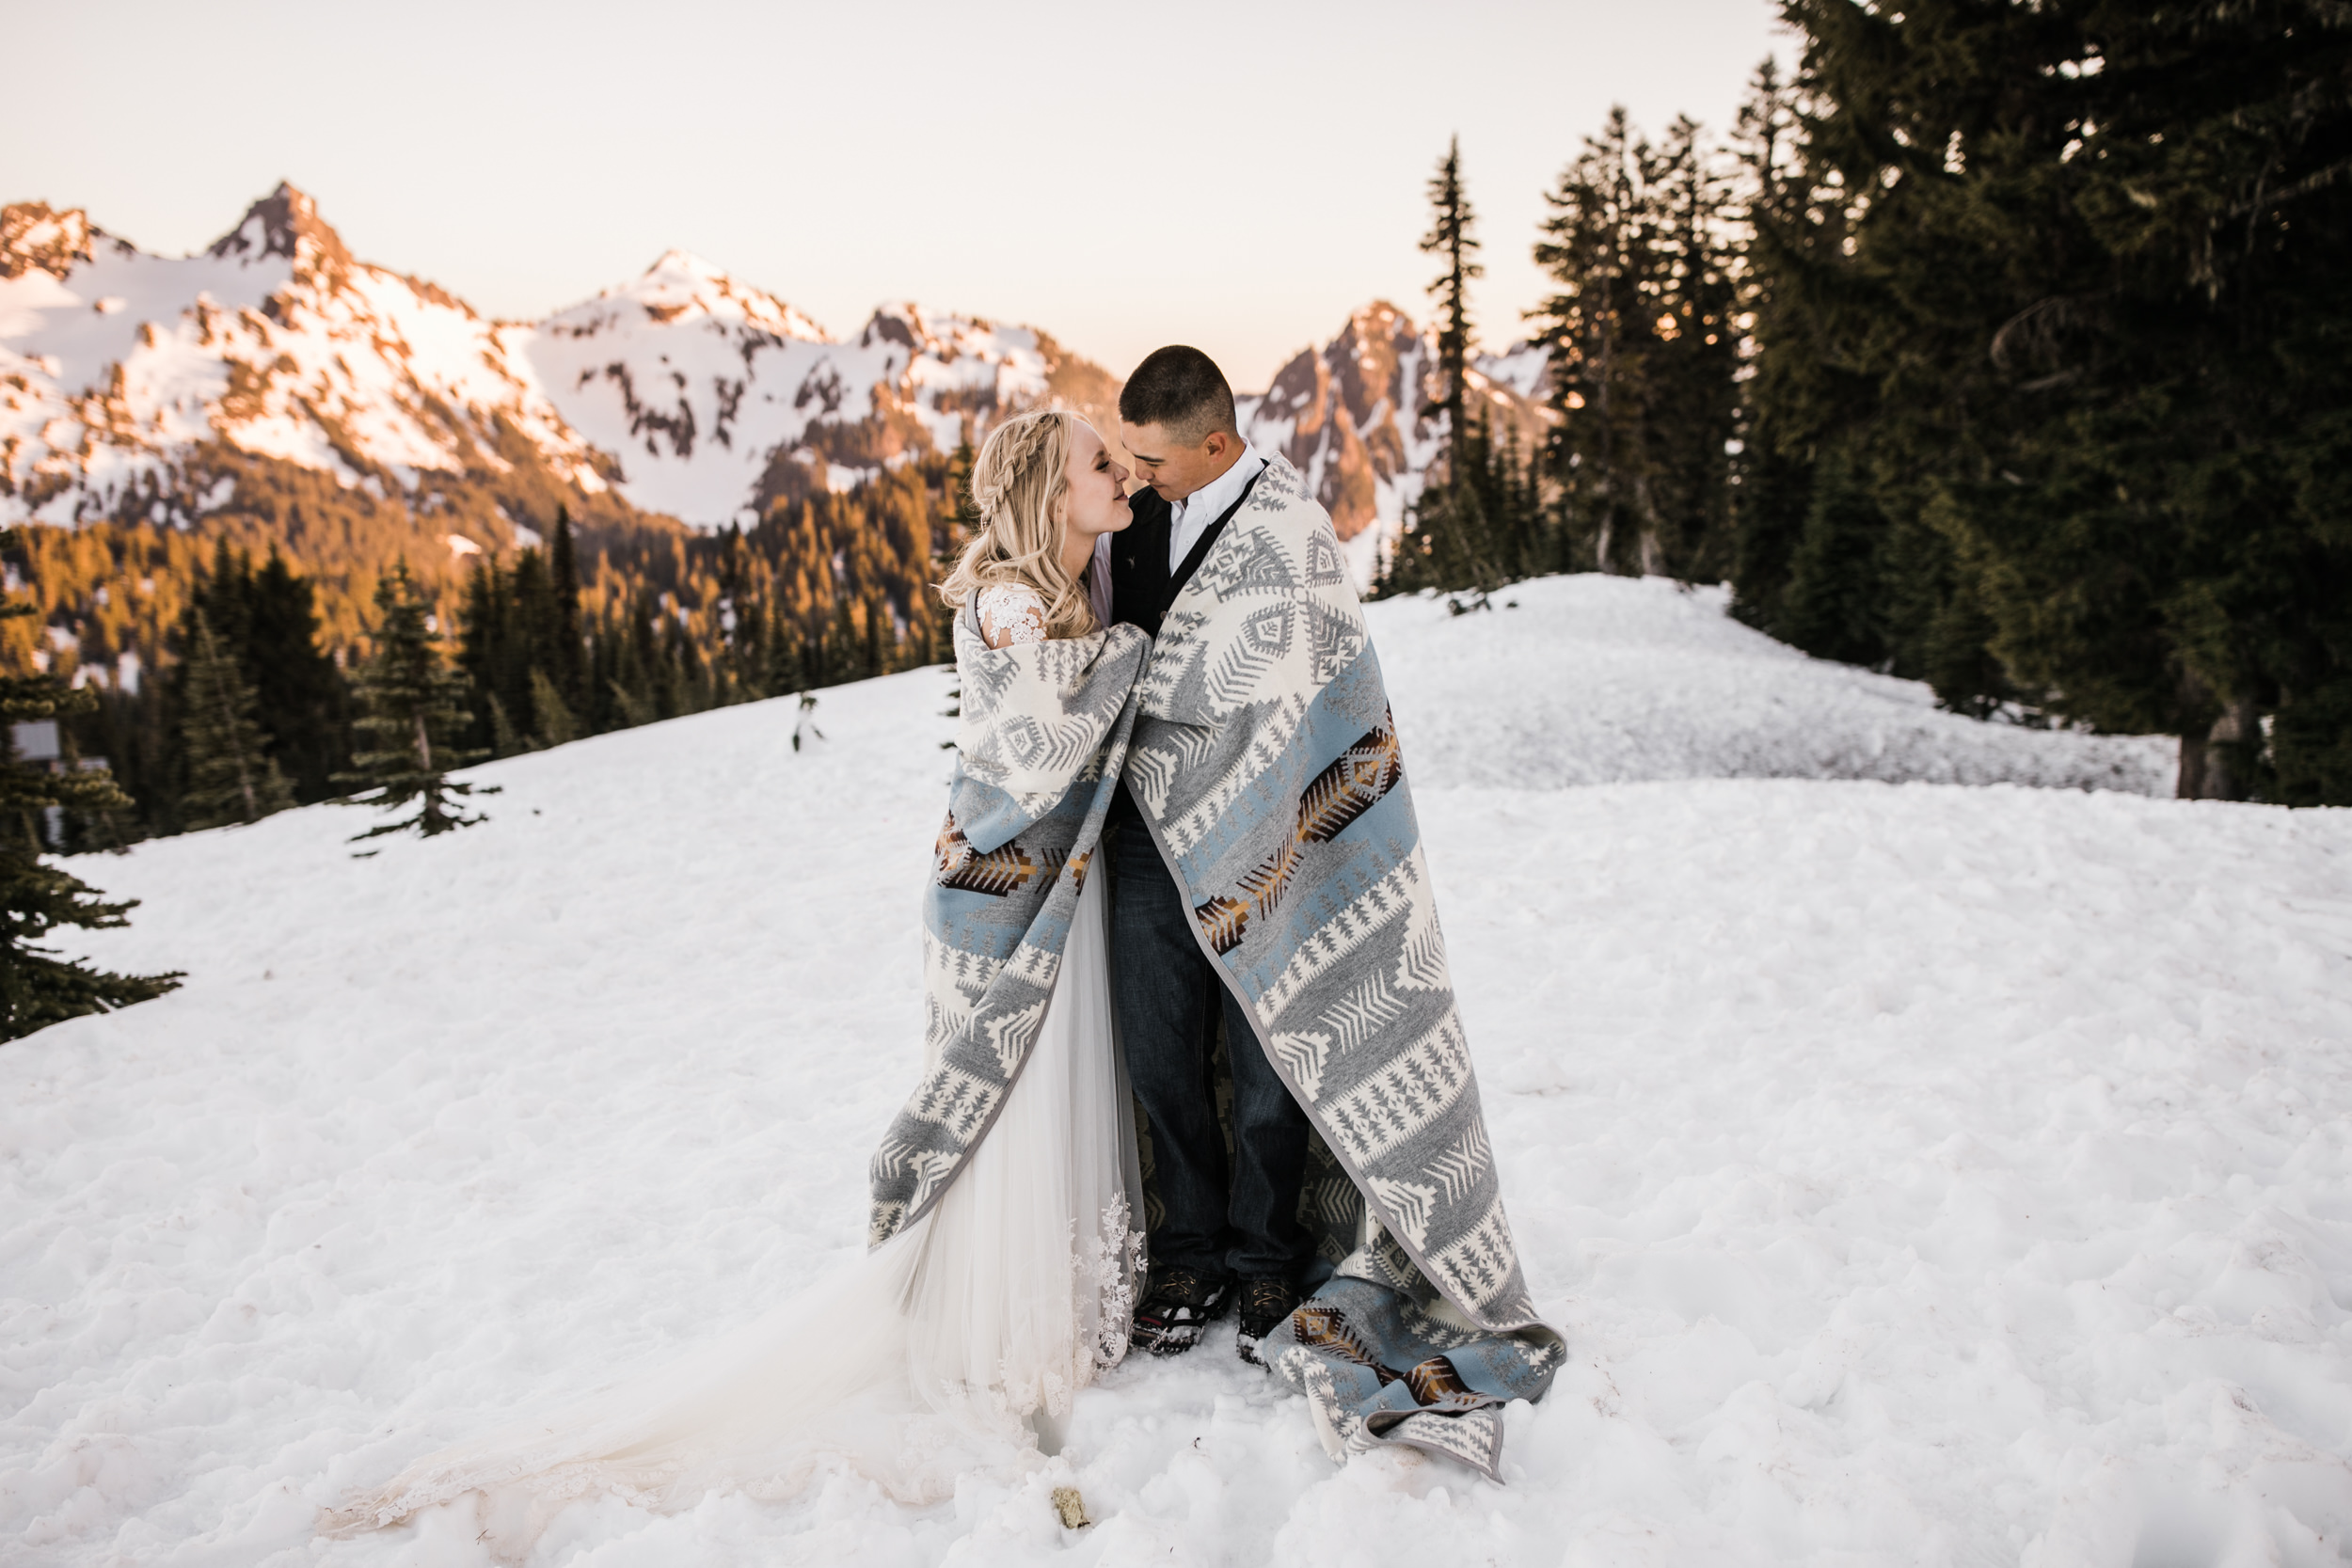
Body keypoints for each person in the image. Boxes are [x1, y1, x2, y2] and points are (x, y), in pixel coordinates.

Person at [323, 410, 1152, 1548]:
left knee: (1047, 1087)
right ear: (1045, 495)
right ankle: (1003, 1326)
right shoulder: (1011, 599)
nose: (1121, 474)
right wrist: (1128, 652)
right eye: (1097, 464)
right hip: (1001, 893)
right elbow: (1043, 748)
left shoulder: (1071, 579)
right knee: (1010, 1096)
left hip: (1050, 881)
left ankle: (1047, 1302)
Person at [1099, 346, 1563, 1476]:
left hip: (1275, 843)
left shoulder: (1289, 534)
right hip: (1143, 837)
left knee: (1273, 1053)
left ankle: (1265, 1253)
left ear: (1215, 443)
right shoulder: (1124, 524)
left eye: (1153, 460)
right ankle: (1187, 1251)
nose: (1138, 477)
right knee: (1159, 1044)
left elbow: (1329, 696)